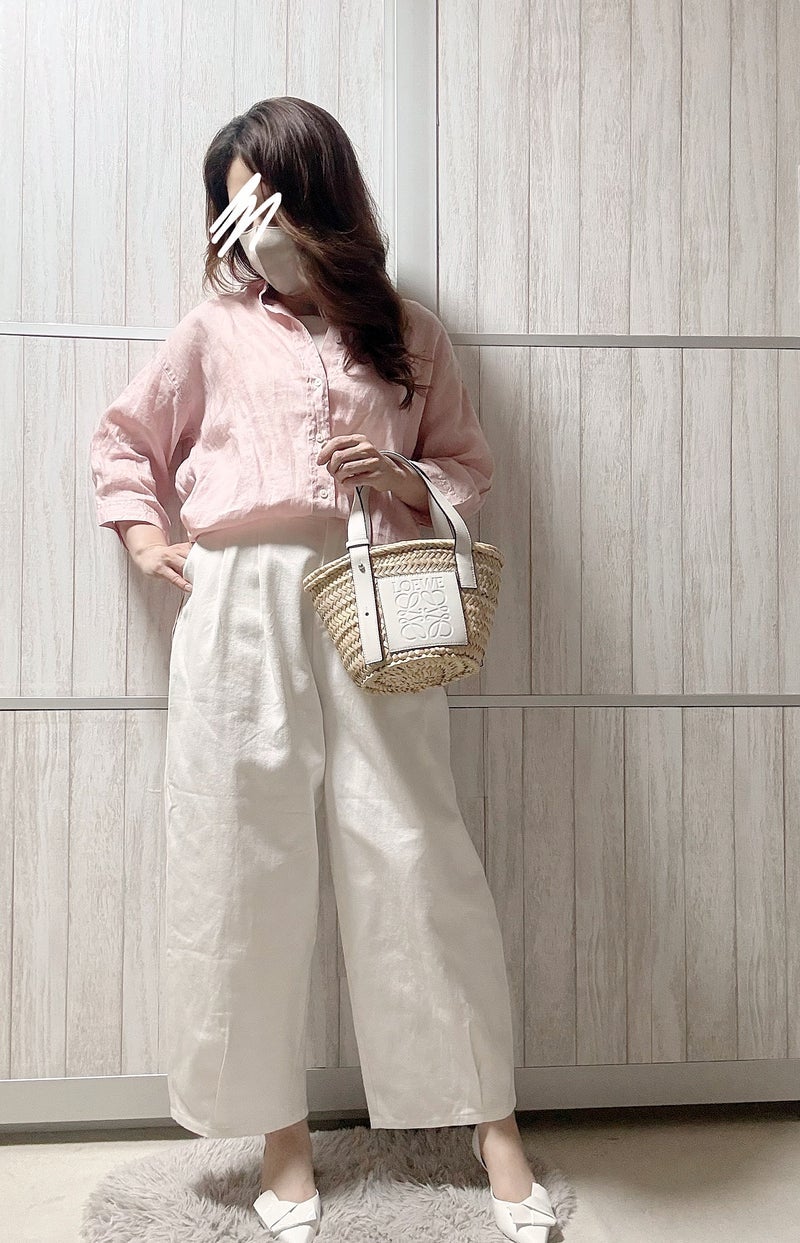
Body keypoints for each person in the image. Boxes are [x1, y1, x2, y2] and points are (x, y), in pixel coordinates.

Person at [89, 96, 556, 1243]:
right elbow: (125, 440)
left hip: (375, 600)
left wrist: (398, 477)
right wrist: (147, 539)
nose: (250, 229)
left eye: (265, 202)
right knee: (241, 860)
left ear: (317, 199)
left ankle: (489, 1123)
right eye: (232, 209)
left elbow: (465, 464)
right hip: (237, 602)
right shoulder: (211, 333)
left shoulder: (406, 331)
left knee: (414, 849)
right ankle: (279, 1139)